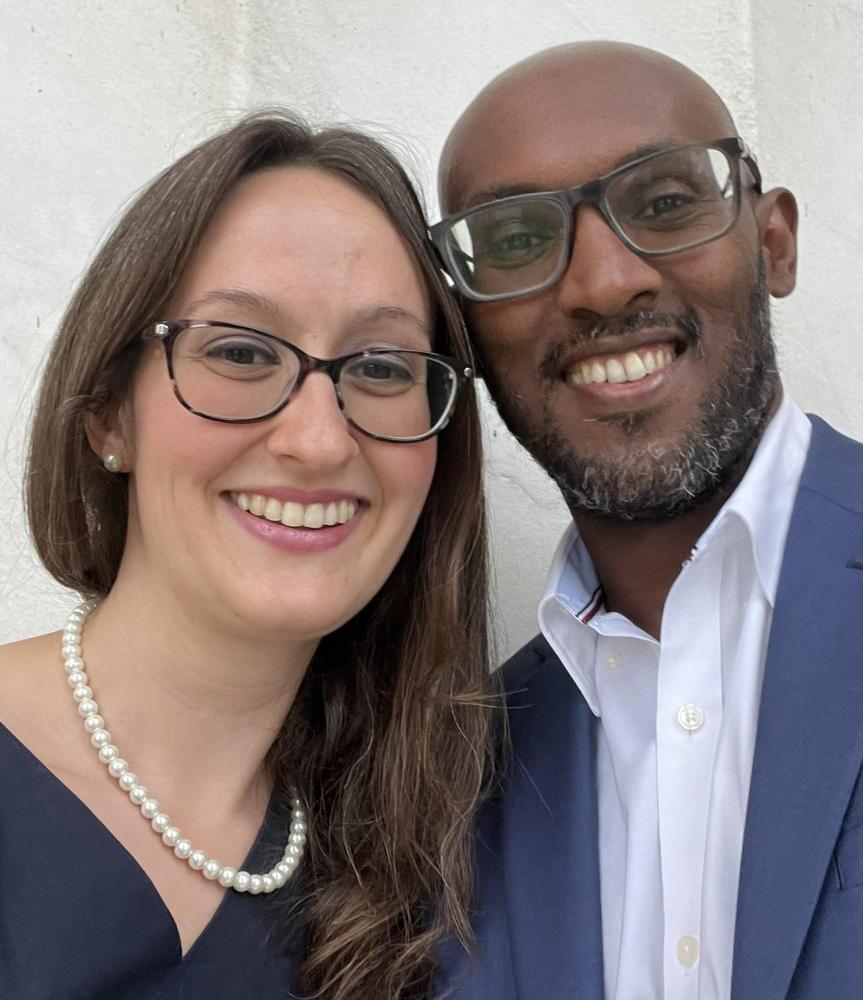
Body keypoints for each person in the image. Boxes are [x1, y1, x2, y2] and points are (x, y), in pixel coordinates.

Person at [429, 40, 863, 1000]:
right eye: (518, 239)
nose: (602, 282)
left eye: (662, 202)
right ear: (468, 332)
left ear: (773, 243)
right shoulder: (455, 786)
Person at [0, 111, 498, 1000]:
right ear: (108, 413)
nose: (319, 439)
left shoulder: (418, 874)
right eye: (239, 350)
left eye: (384, 368)